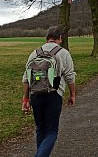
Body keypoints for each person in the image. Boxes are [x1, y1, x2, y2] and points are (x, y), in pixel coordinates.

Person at [21, 26, 76, 157]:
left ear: (47, 38)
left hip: (35, 95)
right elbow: (70, 76)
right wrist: (72, 94)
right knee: (51, 131)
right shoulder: (63, 53)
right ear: (60, 38)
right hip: (54, 95)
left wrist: (25, 99)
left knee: (40, 128)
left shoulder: (35, 53)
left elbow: (26, 78)